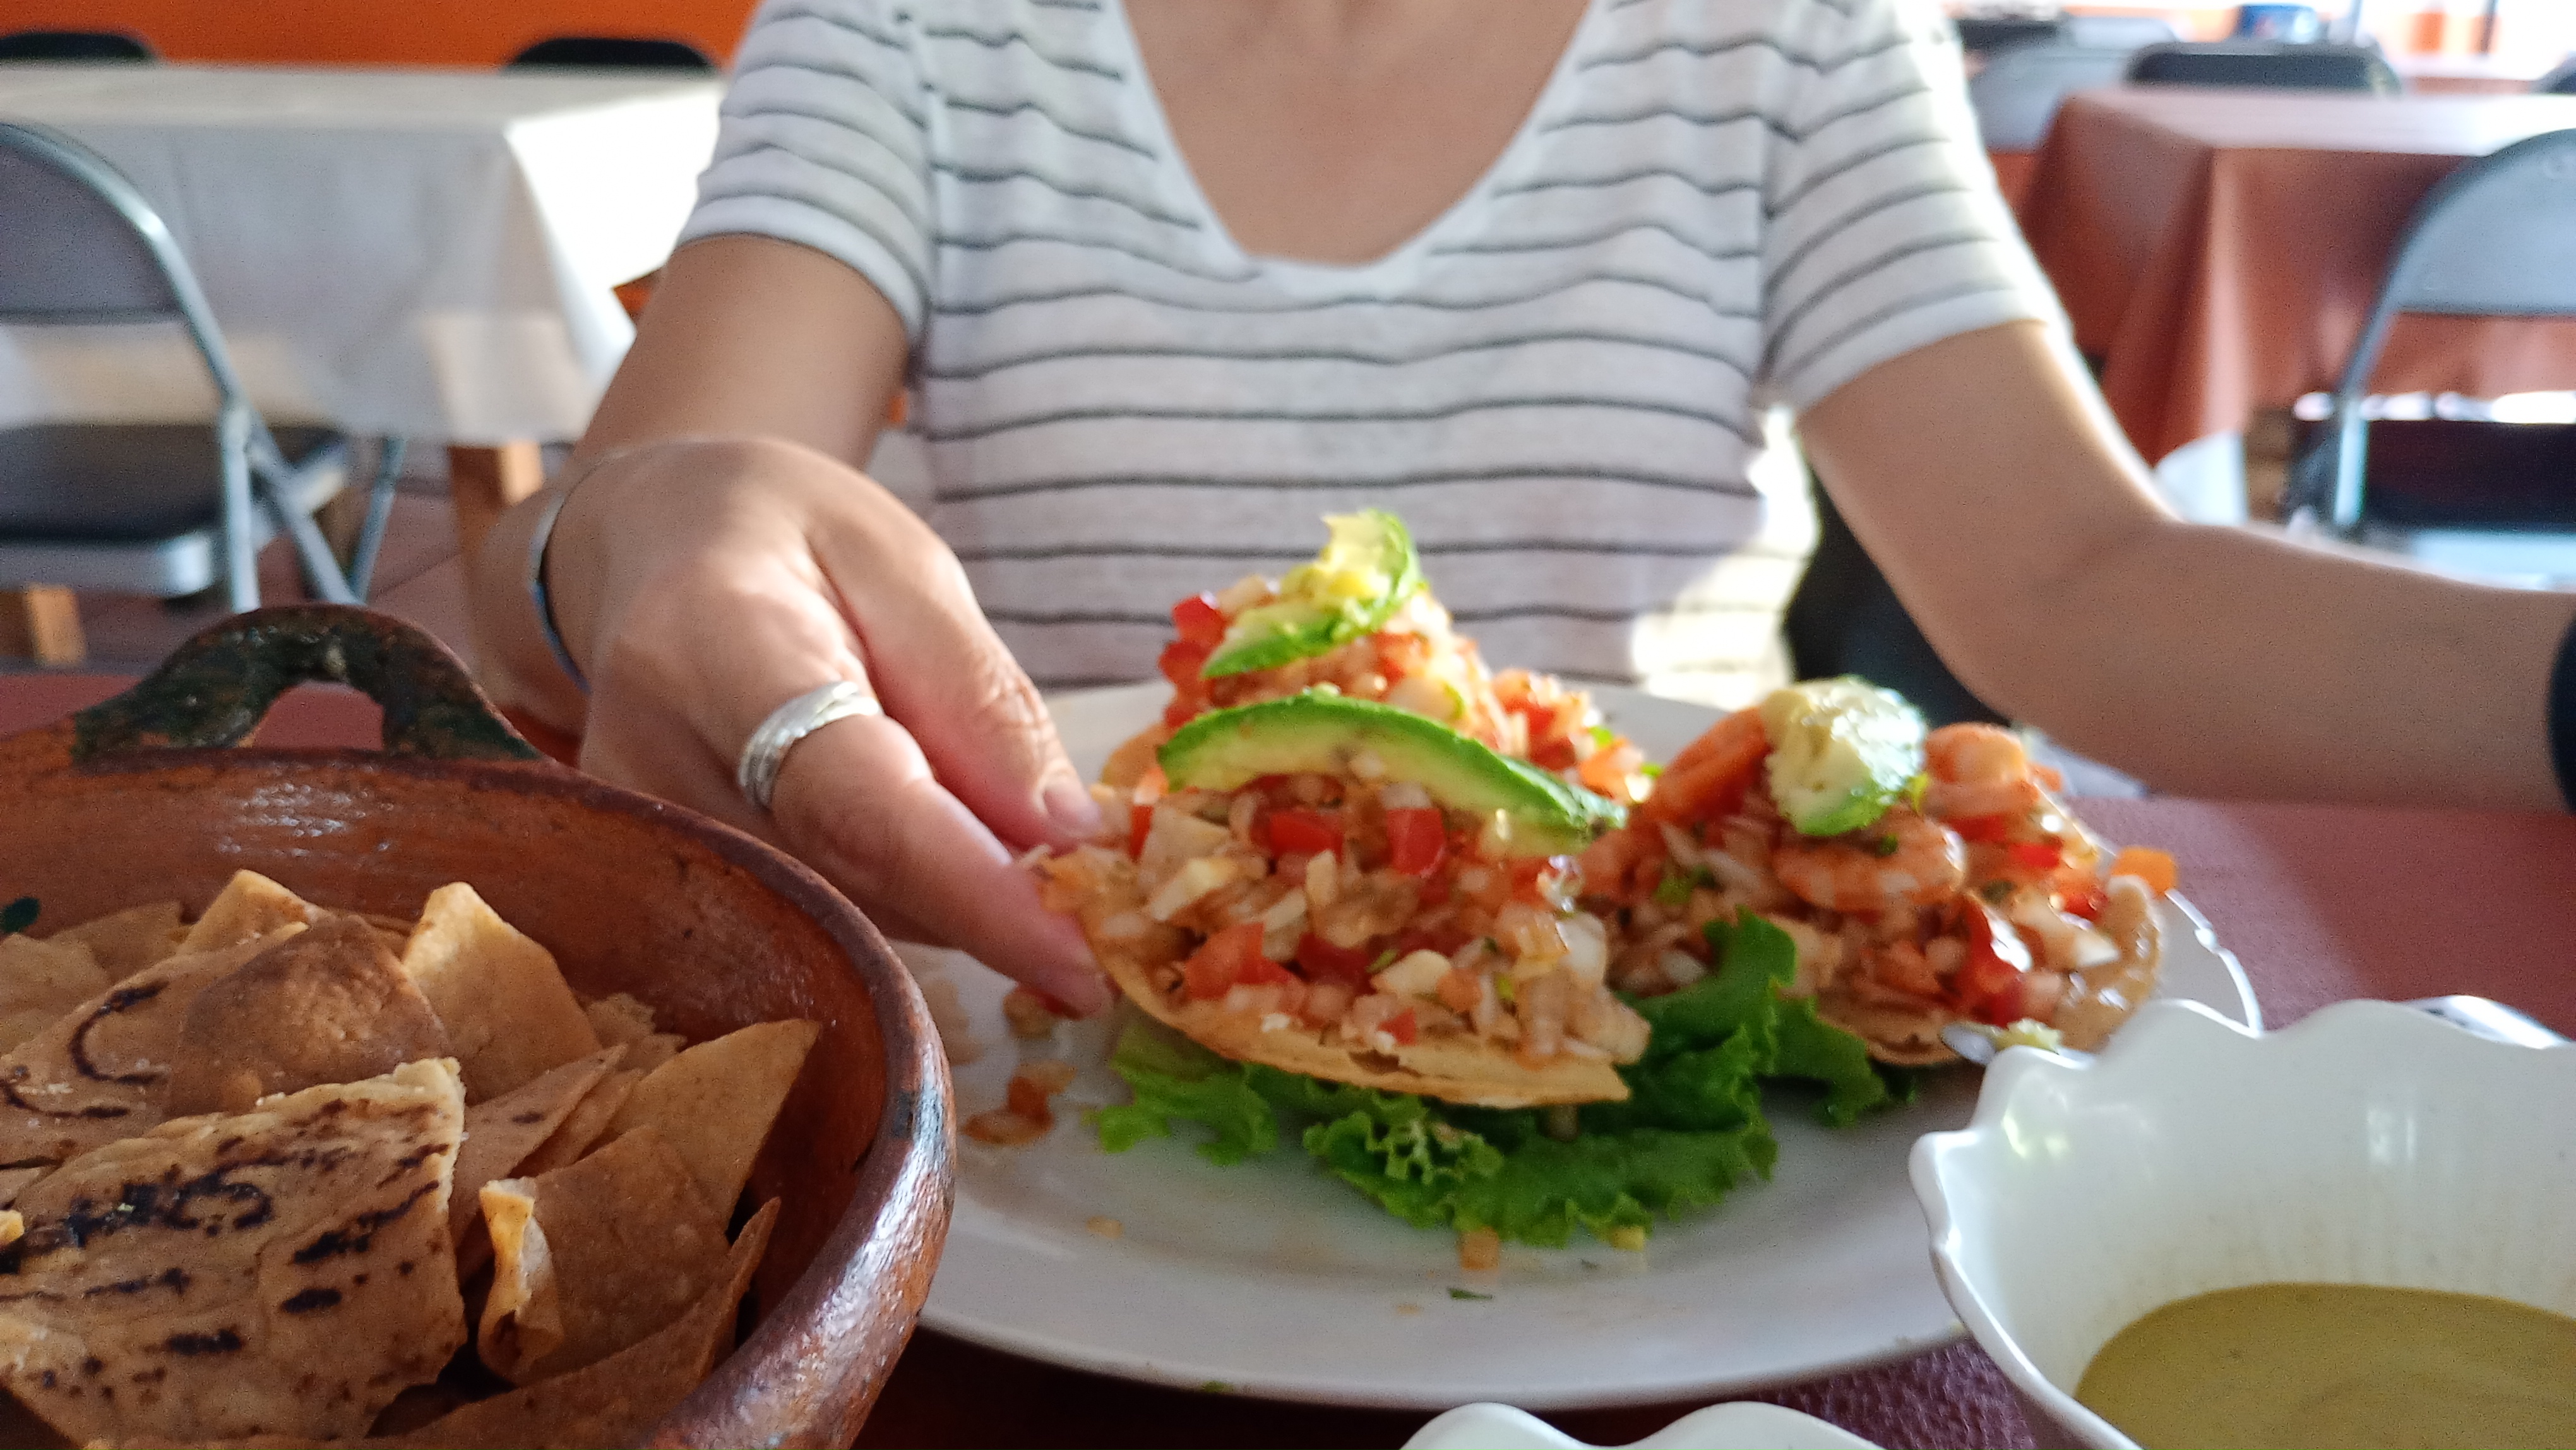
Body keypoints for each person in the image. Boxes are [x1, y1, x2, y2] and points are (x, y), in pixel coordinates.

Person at [467, 0, 2576, 1017]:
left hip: (1657, 1051)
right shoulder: (917, 27)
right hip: (1025, 1061)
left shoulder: (1794, 36)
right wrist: (630, 541)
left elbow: (2081, 583)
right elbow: (588, 546)